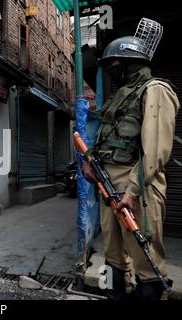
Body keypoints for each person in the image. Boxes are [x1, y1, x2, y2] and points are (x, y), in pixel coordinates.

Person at [83, 24, 180, 300]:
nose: (110, 68)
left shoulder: (155, 90)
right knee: (113, 252)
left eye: (114, 63)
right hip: (107, 183)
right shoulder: (119, 96)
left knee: (144, 255)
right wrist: (89, 159)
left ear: (130, 63)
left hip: (137, 184)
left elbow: (156, 150)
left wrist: (132, 191)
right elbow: (104, 136)